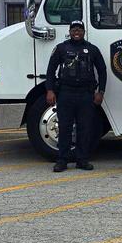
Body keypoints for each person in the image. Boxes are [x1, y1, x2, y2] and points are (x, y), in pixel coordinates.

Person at [45, 20, 107, 172]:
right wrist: (50, 90)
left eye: (79, 29)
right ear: (70, 32)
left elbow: (102, 71)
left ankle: (82, 160)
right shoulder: (61, 48)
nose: (76, 32)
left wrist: (101, 92)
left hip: (86, 94)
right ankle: (62, 160)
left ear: (84, 32)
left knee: (85, 129)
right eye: (74, 29)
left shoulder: (92, 49)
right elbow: (51, 70)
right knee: (64, 128)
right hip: (66, 93)